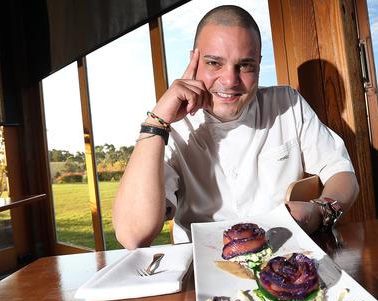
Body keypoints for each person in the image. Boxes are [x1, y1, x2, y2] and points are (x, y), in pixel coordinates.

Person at [113, 5, 359, 249]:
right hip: (201, 268)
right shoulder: (172, 128)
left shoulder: (288, 104)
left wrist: (319, 210)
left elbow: (341, 172)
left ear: (259, 64)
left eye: (245, 65)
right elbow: (133, 235)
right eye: (214, 63)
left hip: (286, 257)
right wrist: (156, 121)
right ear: (194, 61)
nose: (230, 80)